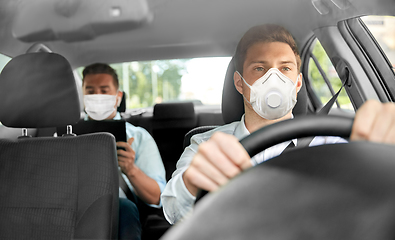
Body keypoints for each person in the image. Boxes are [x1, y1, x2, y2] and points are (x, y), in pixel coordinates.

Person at [161, 24, 395, 225]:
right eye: (260, 69)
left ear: (298, 83)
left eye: (285, 69)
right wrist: (193, 181)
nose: (274, 80)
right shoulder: (207, 146)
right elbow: (172, 211)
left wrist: (380, 155)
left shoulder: (331, 142)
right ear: (239, 83)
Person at [82, 63, 167, 239]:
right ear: (82, 96)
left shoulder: (138, 137)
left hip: (120, 210)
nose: (97, 96)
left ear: (118, 97)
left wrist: (130, 169)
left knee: (123, 207)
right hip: (72, 206)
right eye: (90, 91)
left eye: (104, 91)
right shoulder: (65, 136)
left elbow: (158, 198)